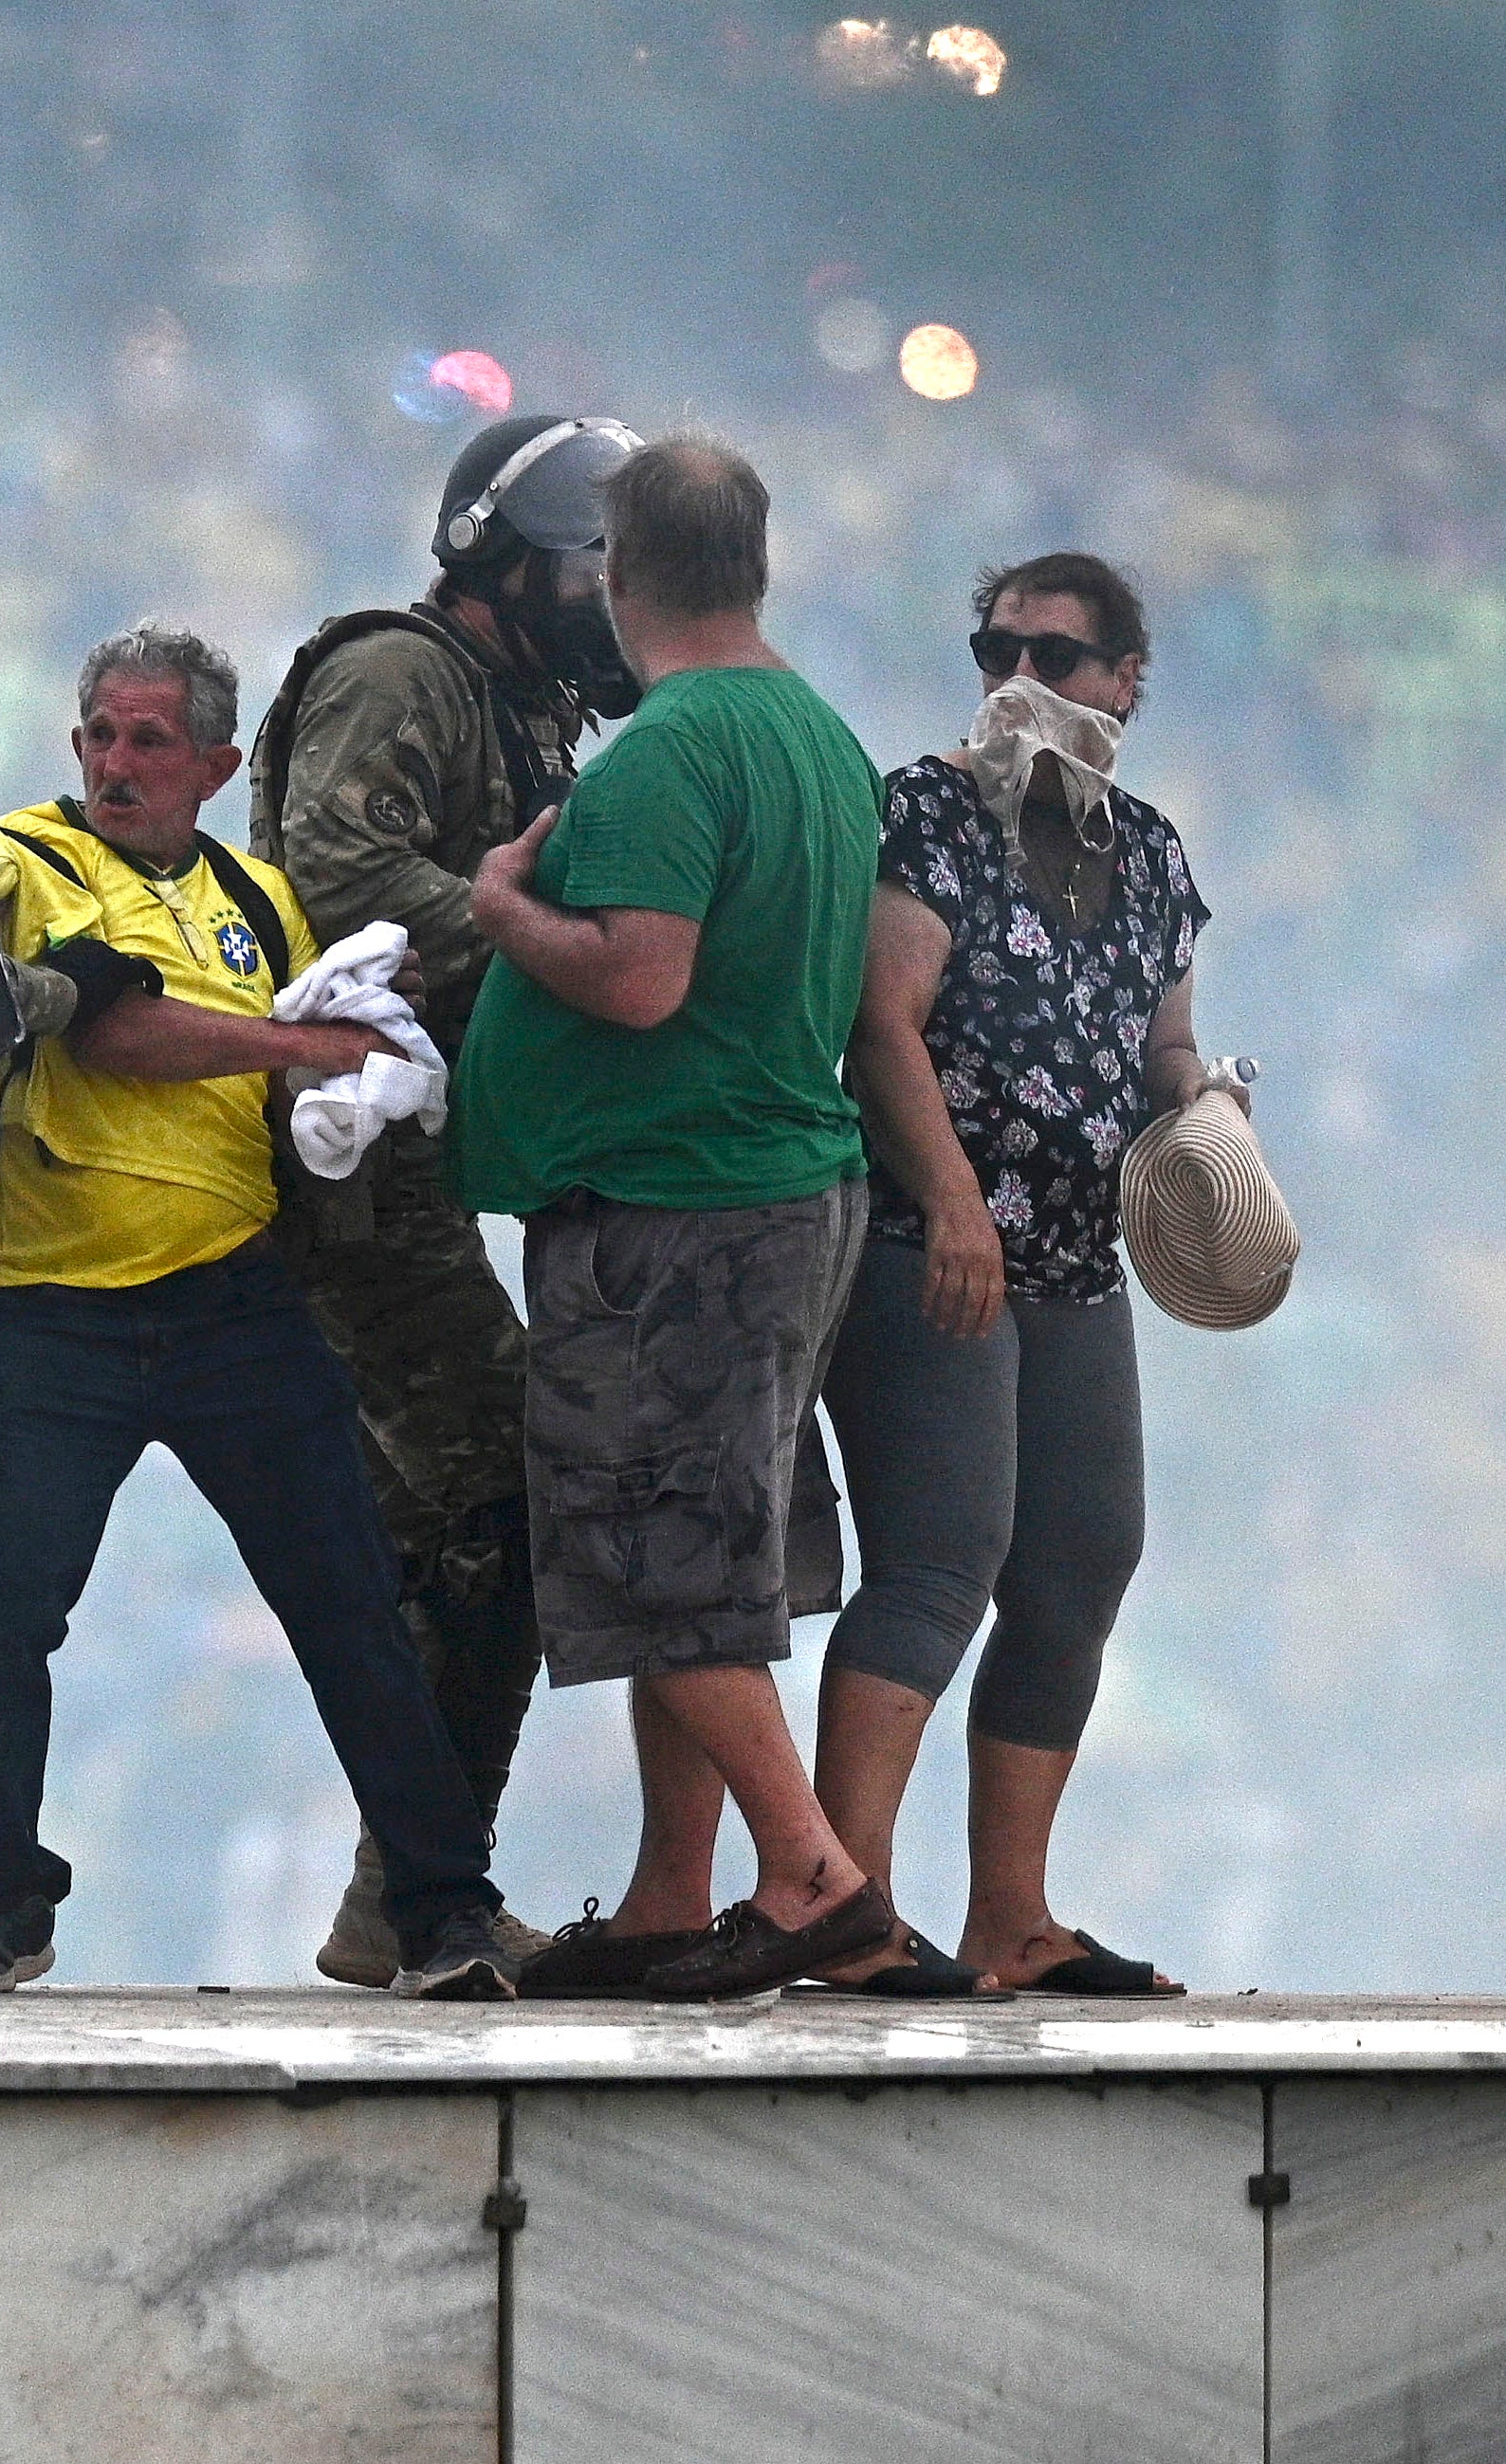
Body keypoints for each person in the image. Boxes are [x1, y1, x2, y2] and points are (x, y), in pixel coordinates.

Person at [0, 621, 521, 2002]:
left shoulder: (258, 898)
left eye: (146, 741)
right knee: (2, 1613)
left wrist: (371, 1044)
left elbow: (317, 1044)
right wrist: (308, 1045)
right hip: (53, 1308)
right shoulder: (26, 862)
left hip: (234, 1300)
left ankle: (444, 1909)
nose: (117, 765)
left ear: (214, 761)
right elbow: (108, 1033)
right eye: (99, 737)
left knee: (351, 1602)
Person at [455, 435, 897, 2004]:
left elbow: (641, 976)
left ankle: (807, 1875)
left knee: (653, 1550)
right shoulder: (821, 737)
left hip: (677, 1208)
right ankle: (668, 1893)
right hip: (786, 1188)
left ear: (612, 574)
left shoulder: (666, 750)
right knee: (709, 1553)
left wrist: (506, 913)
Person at [248, 412, 640, 1987]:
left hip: (413, 1167)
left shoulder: (517, 707)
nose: (619, 601)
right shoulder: (399, 676)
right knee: (499, 1498)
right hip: (348, 1167)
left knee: (460, 1535)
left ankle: (410, 1893)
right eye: (598, 565)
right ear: (517, 560)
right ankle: (424, 1897)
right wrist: (531, 925)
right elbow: (332, 876)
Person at [806, 553, 1220, 1997]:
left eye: (1056, 654)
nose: (1020, 679)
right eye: (998, 650)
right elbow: (883, 1020)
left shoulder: (1153, 855)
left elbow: (1161, 1040)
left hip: (1071, 1251)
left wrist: (1204, 1110)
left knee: (1078, 1562)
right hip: (934, 1241)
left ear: (1123, 682)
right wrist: (954, 1197)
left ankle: (1012, 1919)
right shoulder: (927, 813)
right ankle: (842, 1905)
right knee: (937, 1559)